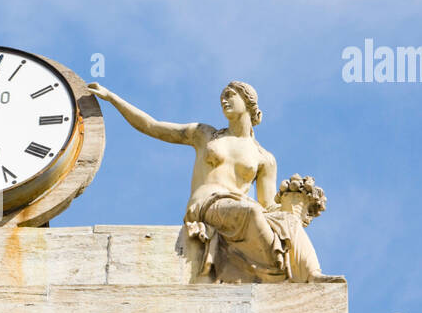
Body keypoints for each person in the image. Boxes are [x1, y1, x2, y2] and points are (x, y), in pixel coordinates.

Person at [86, 80, 340, 283]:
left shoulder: (264, 158)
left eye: (231, 94)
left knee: (287, 222)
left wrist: (293, 209)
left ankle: (311, 274)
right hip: (206, 205)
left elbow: (267, 204)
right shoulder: (205, 134)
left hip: (239, 211)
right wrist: (113, 98)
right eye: (222, 95)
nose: (224, 99)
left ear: (249, 103)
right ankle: (274, 271)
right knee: (250, 211)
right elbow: (153, 126)